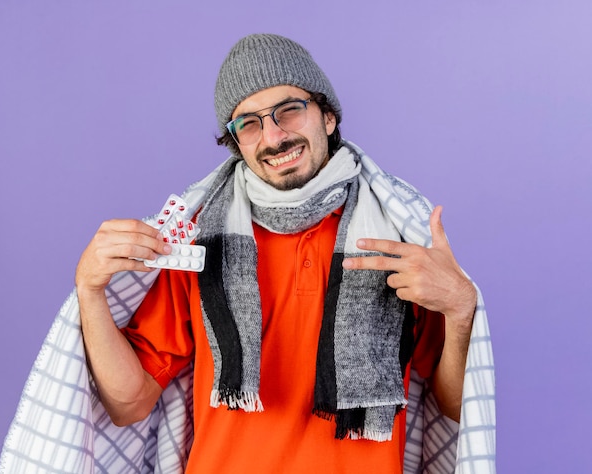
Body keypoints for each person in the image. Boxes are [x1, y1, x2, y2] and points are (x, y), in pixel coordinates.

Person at [74, 34, 482, 473]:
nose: (273, 136)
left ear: (327, 116)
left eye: (289, 110)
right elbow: (129, 405)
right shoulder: (200, 242)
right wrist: (89, 291)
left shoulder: (395, 235)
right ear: (236, 143)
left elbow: (456, 406)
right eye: (248, 123)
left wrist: (461, 310)